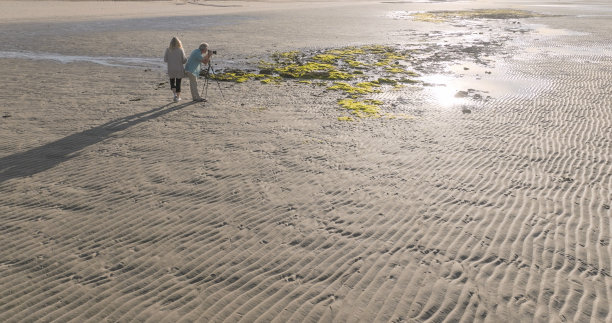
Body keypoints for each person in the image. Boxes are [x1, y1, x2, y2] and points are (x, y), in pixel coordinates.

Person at [164, 37, 187, 103]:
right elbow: (184, 61)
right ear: (179, 42)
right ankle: (178, 97)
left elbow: (165, 60)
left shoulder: (168, 50)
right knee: (178, 83)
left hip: (171, 69)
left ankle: (174, 95)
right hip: (179, 68)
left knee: (172, 82)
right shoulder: (180, 50)